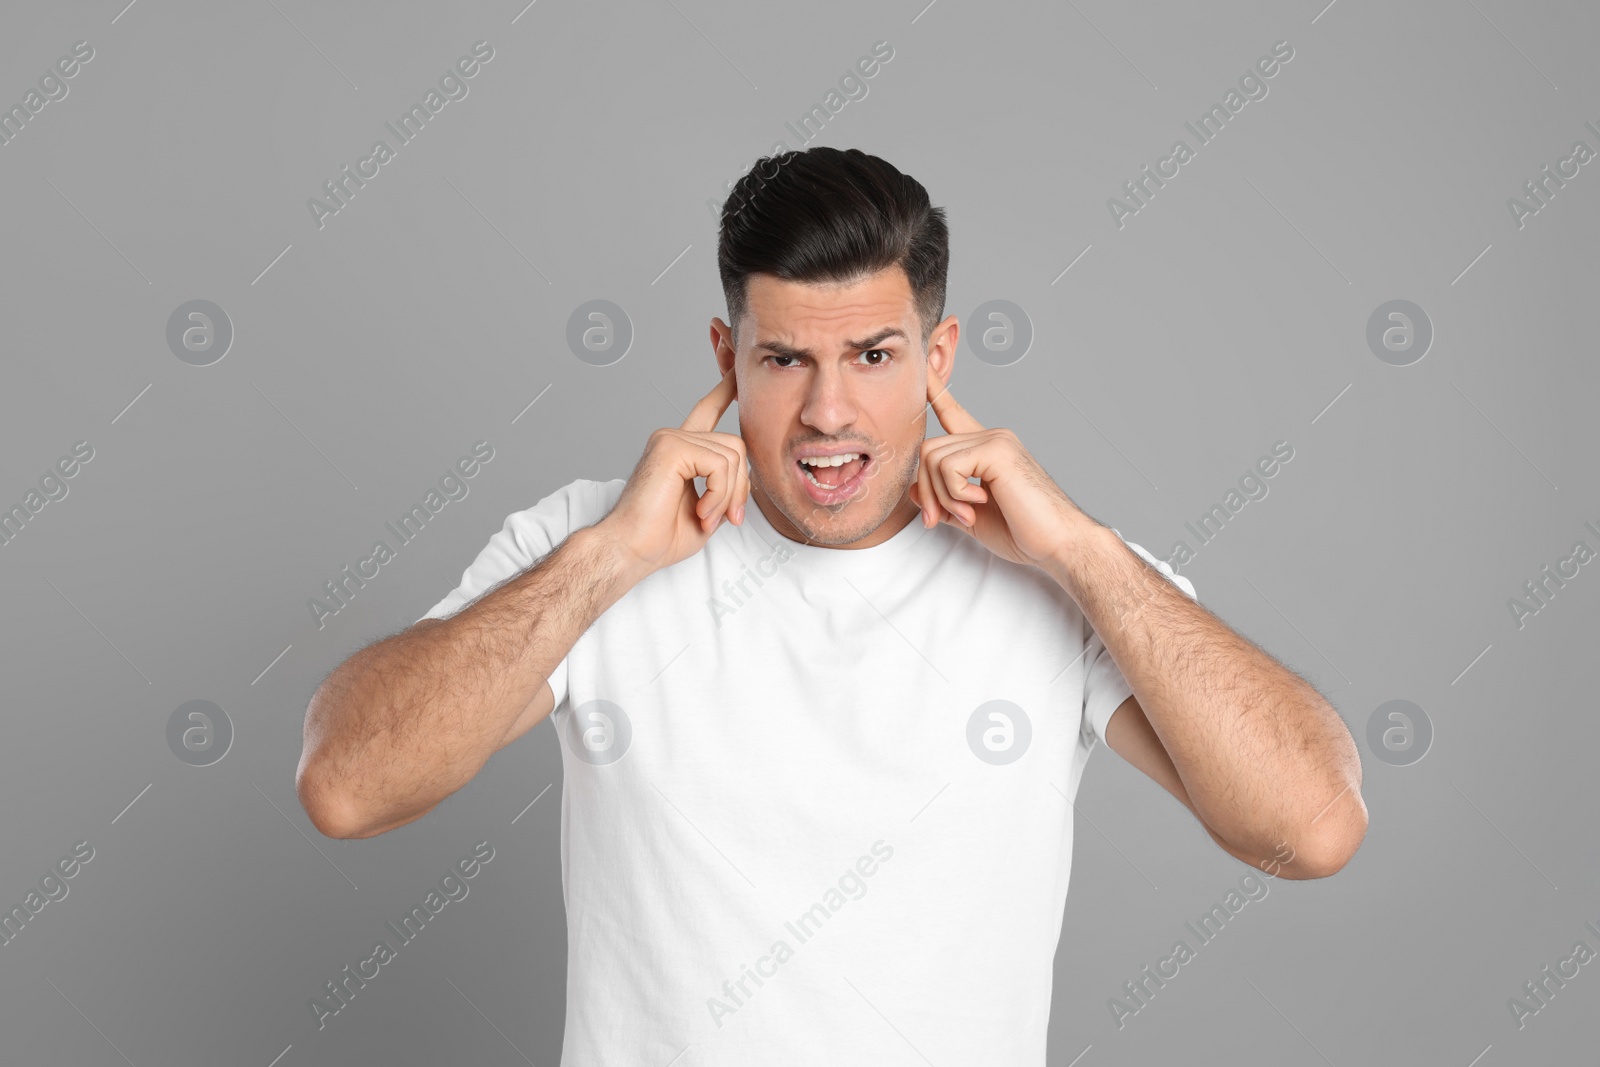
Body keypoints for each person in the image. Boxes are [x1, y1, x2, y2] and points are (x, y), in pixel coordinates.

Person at [295, 146, 1366, 1065]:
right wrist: (609, 559)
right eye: (783, 359)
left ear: (937, 360)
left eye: (871, 355)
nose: (827, 411)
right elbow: (346, 785)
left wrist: (1082, 552)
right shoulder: (590, 542)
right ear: (726, 361)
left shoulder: (1064, 572)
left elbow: (1309, 828)